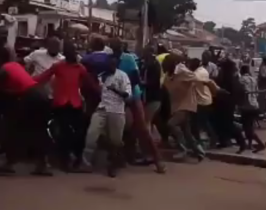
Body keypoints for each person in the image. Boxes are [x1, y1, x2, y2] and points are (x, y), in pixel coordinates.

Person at [0, 46, 53, 177]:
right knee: (39, 131)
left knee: (14, 129)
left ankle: (10, 163)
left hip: (30, 97)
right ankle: (43, 164)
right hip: (40, 94)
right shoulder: (15, 65)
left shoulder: (3, 69)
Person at [34, 41, 97, 171]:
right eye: (69, 52)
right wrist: (27, 81)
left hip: (75, 103)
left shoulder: (80, 68)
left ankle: (74, 157)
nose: (72, 55)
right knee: (64, 132)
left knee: (78, 132)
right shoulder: (58, 66)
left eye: (73, 52)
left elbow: (90, 84)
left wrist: (102, 91)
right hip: (61, 103)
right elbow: (43, 77)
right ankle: (65, 159)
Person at [109, 38, 165, 173]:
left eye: (120, 48)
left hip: (133, 95)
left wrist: (125, 92)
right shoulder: (109, 59)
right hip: (118, 97)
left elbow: (135, 80)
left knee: (142, 128)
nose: (118, 50)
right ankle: (123, 158)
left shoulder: (128, 59)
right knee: (123, 127)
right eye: (116, 48)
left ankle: (158, 161)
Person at [80, 53, 131, 177]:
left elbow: (128, 96)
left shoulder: (122, 76)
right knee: (91, 135)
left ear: (117, 64)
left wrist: (116, 90)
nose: (111, 65)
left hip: (117, 110)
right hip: (102, 109)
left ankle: (114, 165)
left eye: (113, 63)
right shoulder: (102, 76)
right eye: (109, 63)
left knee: (115, 141)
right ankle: (85, 164)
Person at [164, 54, 220, 161]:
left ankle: (182, 149)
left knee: (171, 124)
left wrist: (213, 87)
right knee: (187, 133)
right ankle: (200, 152)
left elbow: (197, 78)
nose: (163, 65)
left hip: (186, 105)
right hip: (177, 106)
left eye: (166, 63)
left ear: (172, 63)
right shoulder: (168, 76)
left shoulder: (183, 72)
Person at [214, 59, 248, 152]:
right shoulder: (231, 77)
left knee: (228, 124)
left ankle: (241, 142)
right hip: (225, 103)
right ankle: (224, 141)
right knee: (221, 123)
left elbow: (227, 89)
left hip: (226, 104)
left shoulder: (227, 77)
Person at [188, 58, 219, 149]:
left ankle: (201, 141)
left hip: (201, 101)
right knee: (203, 122)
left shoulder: (196, 75)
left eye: (190, 64)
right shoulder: (203, 70)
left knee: (198, 122)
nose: (189, 66)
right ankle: (205, 140)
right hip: (206, 99)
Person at [239, 65, 266, 151]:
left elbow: (241, 93)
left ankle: (260, 144)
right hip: (255, 105)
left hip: (246, 106)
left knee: (247, 128)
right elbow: (257, 93)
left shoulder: (241, 80)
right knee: (250, 126)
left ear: (241, 71)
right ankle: (250, 145)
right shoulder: (253, 79)